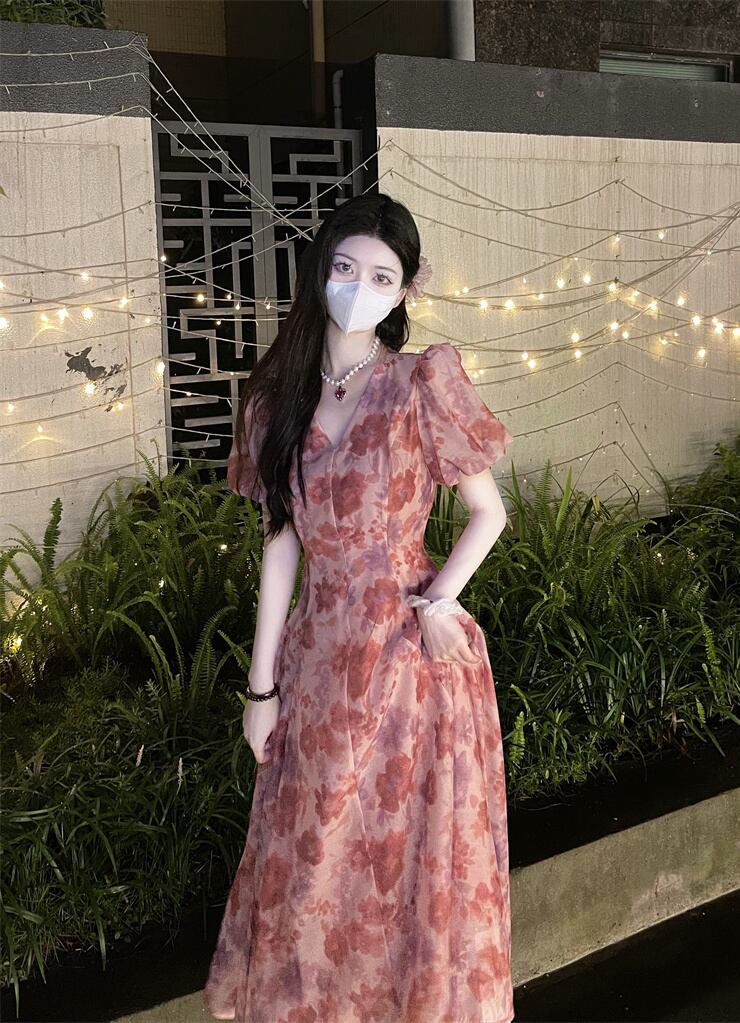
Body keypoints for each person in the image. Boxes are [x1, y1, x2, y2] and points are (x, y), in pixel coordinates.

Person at [203, 192, 515, 1023]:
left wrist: (440, 598)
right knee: (313, 862)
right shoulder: (273, 398)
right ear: (320, 271)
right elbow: (280, 546)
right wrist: (260, 689)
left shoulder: (420, 383)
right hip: (316, 662)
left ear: (407, 288)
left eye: (381, 275)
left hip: (409, 670)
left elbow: (488, 512)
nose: (357, 287)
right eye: (344, 267)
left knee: (399, 864)